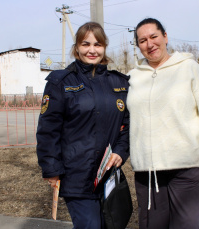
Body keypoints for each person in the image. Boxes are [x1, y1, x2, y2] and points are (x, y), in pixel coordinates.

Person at [127, 18, 199, 229]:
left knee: (188, 225)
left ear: (165, 37)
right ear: (138, 46)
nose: (150, 44)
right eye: (143, 40)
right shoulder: (133, 78)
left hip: (185, 167)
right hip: (148, 170)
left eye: (154, 37)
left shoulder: (190, 69)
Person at [36, 22, 130, 229]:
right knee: (90, 226)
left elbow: (127, 125)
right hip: (76, 176)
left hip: (108, 175)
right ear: (77, 47)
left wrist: (121, 152)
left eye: (98, 44)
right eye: (85, 44)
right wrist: (51, 169)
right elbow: (48, 130)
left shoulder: (119, 83)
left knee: (110, 225)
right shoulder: (60, 82)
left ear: (104, 47)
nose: (92, 50)